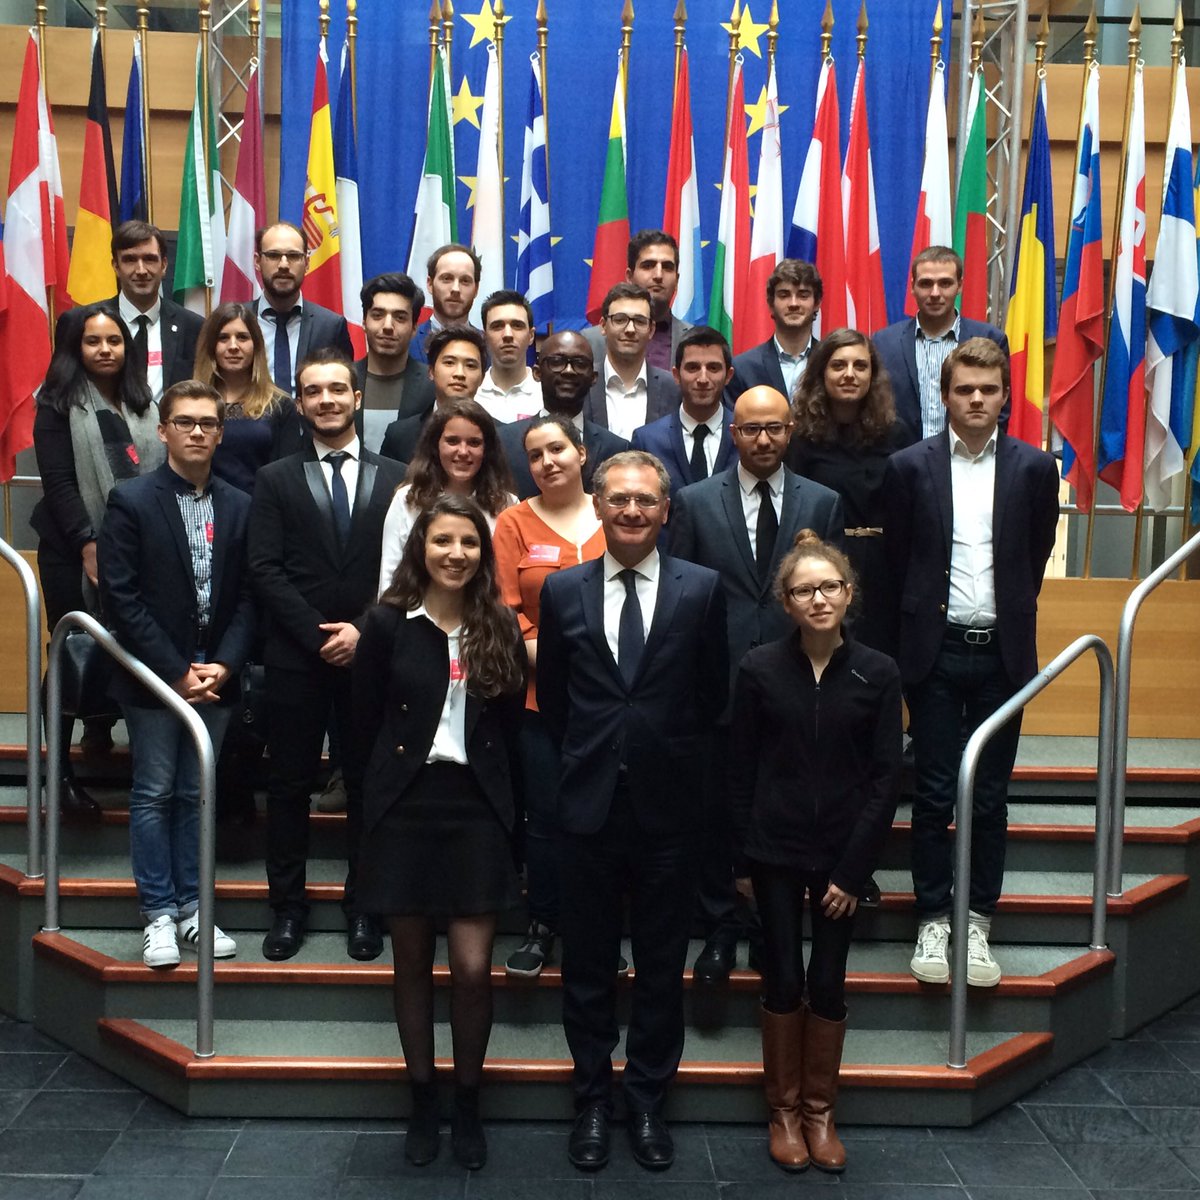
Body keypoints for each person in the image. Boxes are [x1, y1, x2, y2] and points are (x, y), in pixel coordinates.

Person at [537, 450, 728, 1173]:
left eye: (646, 500)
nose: (632, 511)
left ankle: (646, 1098)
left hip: (669, 810)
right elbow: (558, 701)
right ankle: (591, 1098)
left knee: (659, 964)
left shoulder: (701, 588)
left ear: (666, 510)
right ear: (597, 505)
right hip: (587, 807)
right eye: (618, 499)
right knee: (586, 965)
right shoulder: (562, 590)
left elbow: (711, 697)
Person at [354, 493, 526, 1170]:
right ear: (420, 549)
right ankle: (423, 1099)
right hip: (405, 807)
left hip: (476, 808)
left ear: (484, 554)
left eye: (469, 543)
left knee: (474, 969)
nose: (456, 554)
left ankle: (468, 1102)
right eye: (442, 541)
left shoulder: (498, 623)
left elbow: (511, 732)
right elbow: (363, 725)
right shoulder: (387, 624)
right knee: (412, 964)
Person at [883, 338, 1059, 988]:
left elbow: (1034, 556)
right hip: (934, 651)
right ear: (946, 396)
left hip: (1002, 655)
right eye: (965, 390)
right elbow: (899, 558)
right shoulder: (908, 466)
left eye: (988, 389)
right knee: (933, 793)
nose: (977, 399)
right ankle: (933, 917)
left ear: (1005, 396)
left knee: (988, 797)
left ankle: (978, 920)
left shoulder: (1034, 468)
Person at [730, 531, 901, 1173]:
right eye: (804, 590)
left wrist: (854, 872)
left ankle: (820, 1112)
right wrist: (740, 862)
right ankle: (783, 1112)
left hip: (842, 858)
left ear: (848, 593)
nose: (819, 599)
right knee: (783, 976)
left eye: (830, 586)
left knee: (827, 980)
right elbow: (739, 768)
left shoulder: (878, 672)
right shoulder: (758, 668)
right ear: (787, 603)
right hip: (773, 850)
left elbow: (885, 780)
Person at [669, 386, 844, 989]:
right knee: (719, 810)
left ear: (791, 430)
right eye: (750, 429)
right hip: (718, 684)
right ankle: (721, 928)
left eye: (774, 428)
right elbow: (679, 596)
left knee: (783, 807)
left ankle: (773, 932)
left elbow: (834, 595)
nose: (763, 439)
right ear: (733, 434)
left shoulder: (822, 502)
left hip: (799, 684)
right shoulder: (694, 501)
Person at [248, 348, 407, 963]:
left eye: (338, 389)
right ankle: (287, 908)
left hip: (373, 655)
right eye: (313, 391)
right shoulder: (274, 478)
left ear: (357, 397)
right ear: (300, 403)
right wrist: (320, 635)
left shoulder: (397, 477)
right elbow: (265, 568)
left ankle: (364, 906)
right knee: (289, 786)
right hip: (297, 657)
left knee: (368, 784)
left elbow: (408, 570)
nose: (327, 400)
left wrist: (364, 631)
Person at [97, 380, 255, 968]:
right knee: (155, 791)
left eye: (207, 423)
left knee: (197, 792)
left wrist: (226, 664)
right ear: (163, 431)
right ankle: (159, 914)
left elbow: (251, 597)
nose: (196, 432)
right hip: (153, 674)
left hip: (216, 674)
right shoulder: (131, 499)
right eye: (184, 422)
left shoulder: (241, 504)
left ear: (220, 433)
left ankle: (194, 909)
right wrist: (174, 672)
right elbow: (120, 597)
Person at [31, 302, 164, 818]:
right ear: (75, 348)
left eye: (114, 340)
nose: (105, 350)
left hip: (136, 548)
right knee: (72, 652)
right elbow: (60, 483)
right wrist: (90, 545)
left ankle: (141, 760)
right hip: (71, 550)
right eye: (93, 341)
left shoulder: (143, 401)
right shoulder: (56, 403)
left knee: (134, 648)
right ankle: (58, 774)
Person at [492, 416, 606, 978]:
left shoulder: (614, 510)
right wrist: (566, 662)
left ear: (581, 452)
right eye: (535, 455)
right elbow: (505, 611)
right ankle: (542, 924)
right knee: (544, 818)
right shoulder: (513, 522)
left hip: (614, 704)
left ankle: (597, 928)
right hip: (541, 700)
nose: (547, 462)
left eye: (557, 449)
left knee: (605, 818)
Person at [786, 328, 912, 653]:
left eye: (860, 366)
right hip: (824, 563)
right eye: (838, 365)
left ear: (873, 374)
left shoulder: (896, 433)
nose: (849, 374)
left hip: (886, 566)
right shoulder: (801, 436)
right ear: (821, 372)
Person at [377, 398, 516, 596]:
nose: (463, 452)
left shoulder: (506, 504)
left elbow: (508, 583)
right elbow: (389, 578)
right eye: (452, 441)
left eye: (474, 443)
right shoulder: (408, 499)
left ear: (487, 450)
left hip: (484, 611)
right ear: (436, 446)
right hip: (415, 612)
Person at [55, 220, 204, 403]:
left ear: (164, 265)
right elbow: (59, 394)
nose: (141, 270)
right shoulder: (78, 322)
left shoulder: (193, 326)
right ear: (116, 266)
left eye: (149, 259)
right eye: (130, 260)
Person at [873, 246, 1008, 445]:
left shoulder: (991, 339)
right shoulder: (884, 343)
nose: (935, 293)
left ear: (959, 285)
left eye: (945, 283)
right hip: (899, 459)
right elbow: (875, 408)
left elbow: (1000, 410)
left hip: (968, 457)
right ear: (912, 287)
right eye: (926, 284)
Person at [497, 332, 628, 499]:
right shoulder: (503, 441)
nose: (568, 371)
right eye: (557, 362)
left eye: (580, 364)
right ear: (537, 372)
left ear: (593, 377)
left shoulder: (617, 448)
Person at [193, 302, 294, 496]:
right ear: (211, 346)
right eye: (223, 338)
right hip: (202, 508)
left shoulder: (280, 405)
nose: (233, 346)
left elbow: (287, 477)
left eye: (242, 337)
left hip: (260, 508)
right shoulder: (191, 404)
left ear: (256, 345)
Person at [631, 326, 737, 499]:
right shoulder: (647, 441)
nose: (703, 379)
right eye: (693, 368)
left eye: (713, 368)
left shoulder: (745, 435)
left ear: (728, 376)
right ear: (676, 375)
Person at [252, 222, 354, 396]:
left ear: (307, 263)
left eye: (293, 256)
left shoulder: (331, 326)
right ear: (257, 261)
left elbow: (342, 388)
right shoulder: (238, 322)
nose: (284, 265)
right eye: (273, 255)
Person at [584, 230, 693, 371]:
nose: (658, 275)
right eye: (648, 266)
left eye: (667, 267)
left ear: (677, 280)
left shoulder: (694, 340)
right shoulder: (589, 342)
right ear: (629, 276)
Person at [582, 283, 680, 440]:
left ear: (651, 330)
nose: (630, 329)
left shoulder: (673, 389)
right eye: (620, 320)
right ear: (603, 326)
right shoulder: (582, 383)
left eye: (640, 321)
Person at [379, 325, 487, 465]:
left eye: (470, 365)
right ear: (431, 371)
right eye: (449, 363)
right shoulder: (399, 435)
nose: (459, 373)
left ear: (482, 377)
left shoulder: (499, 435)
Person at [355, 273, 436, 452]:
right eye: (377, 315)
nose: (387, 326)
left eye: (400, 317)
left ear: (414, 327)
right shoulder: (343, 381)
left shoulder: (432, 385)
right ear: (364, 322)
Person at [726, 259, 822, 408]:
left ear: (817, 304)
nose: (793, 304)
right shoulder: (743, 368)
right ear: (771, 304)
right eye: (784, 295)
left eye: (803, 295)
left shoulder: (830, 362)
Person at [410, 243, 482, 363]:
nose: (455, 289)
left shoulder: (491, 348)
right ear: (430, 284)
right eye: (447, 278)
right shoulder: (407, 343)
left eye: (465, 281)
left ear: (476, 289)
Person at [475, 290, 539, 424]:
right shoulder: (471, 393)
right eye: (497, 326)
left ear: (531, 336)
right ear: (484, 337)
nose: (508, 334)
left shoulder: (545, 395)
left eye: (517, 326)